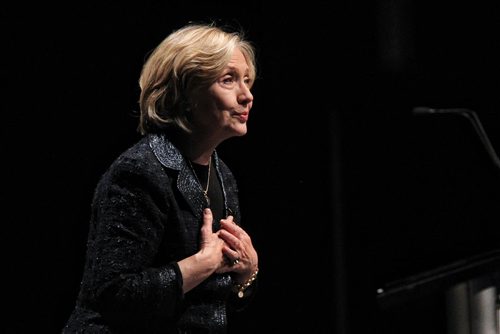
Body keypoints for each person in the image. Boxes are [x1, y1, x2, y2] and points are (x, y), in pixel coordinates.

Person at [63, 22, 259, 333]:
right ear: (184, 93)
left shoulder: (224, 177)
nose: (247, 95)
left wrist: (247, 272)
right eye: (228, 80)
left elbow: (216, 302)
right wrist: (203, 263)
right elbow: (112, 294)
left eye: (247, 81)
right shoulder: (139, 172)